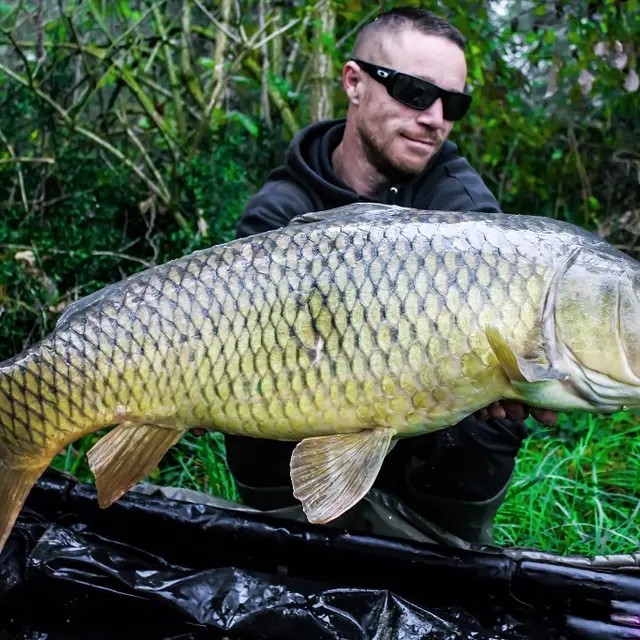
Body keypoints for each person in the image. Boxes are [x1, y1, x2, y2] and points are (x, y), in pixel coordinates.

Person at [222, 6, 558, 545]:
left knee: (489, 411)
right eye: (416, 92)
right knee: (246, 376)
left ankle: (437, 546)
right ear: (354, 83)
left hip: (421, 473)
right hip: (301, 435)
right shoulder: (279, 210)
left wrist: (499, 376)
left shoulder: (463, 208)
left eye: (454, 103)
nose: (436, 118)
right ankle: (290, 535)